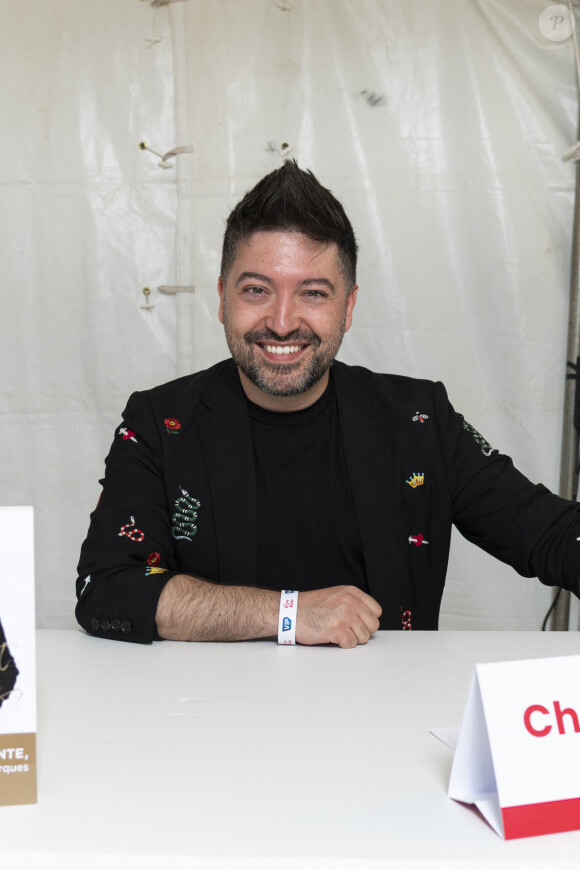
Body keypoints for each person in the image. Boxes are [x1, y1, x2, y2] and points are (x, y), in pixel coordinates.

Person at [76, 160, 580, 647]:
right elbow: (106, 588)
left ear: (349, 307)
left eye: (313, 293)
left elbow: (551, 534)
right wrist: (289, 613)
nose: (281, 321)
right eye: (256, 290)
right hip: (212, 720)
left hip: (386, 720)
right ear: (222, 298)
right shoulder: (160, 425)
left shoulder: (419, 420)